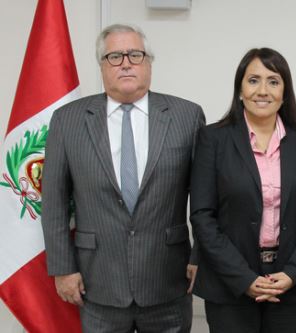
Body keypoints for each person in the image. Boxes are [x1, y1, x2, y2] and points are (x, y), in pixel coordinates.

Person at [41, 24, 205, 332]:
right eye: (114, 56)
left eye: (135, 54)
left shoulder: (187, 116)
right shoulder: (68, 120)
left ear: (149, 62)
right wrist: (63, 269)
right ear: (102, 66)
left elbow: (203, 196)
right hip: (97, 284)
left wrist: (200, 255)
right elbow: (54, 202)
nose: (126, 62)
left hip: (168, 281)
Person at [189, 47, 296, 333]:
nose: (262, 90)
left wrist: (292, 273)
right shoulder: (213, 139)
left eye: (273, 81)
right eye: (253, 80)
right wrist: (243, 278)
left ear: (285, 92)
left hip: (287, 284)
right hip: (229, 285)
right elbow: (202, 216)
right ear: (240, 89)